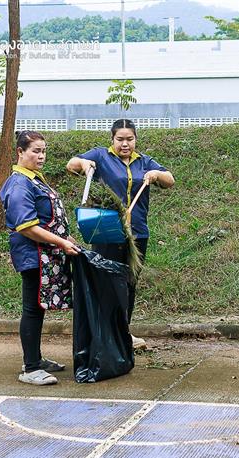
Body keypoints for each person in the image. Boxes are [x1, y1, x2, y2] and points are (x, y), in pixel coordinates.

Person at [66, 119, 175, 348]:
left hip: (137, 233)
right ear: (112, 139)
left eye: (130, 139)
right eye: (120, 139)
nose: (125, 144)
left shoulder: (144, 161)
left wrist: (156, 174)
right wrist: (85, 165)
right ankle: (104, 334)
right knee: (106, 281)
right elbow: (71, 164)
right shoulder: (101, 156)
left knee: (128, 283)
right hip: (106, 230)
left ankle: (123, 331)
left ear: (135, 139)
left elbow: (170, 180)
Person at [0, 131, 80, 385]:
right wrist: (61, 241)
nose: (41, 156)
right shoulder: (19, 183)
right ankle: (30, 368)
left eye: (44, 151)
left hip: (47, 253)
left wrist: (67, 238)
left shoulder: (35, 180)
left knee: (39, 307)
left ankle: (35, 358)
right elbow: (26, 226)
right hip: (33, 255)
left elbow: (48, 220)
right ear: (20, 152)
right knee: (32, 309)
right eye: (35, 151)